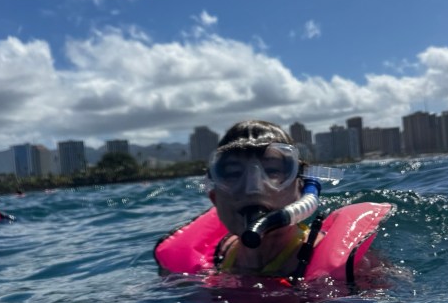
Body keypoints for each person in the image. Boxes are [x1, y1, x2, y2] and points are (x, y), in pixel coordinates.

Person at [154, 119, 394, 283]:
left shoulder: (357, 268)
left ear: (302, 190)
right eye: (233, 173)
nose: (253, 188)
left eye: (273, 170)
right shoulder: (200, 269)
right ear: (214, 197)